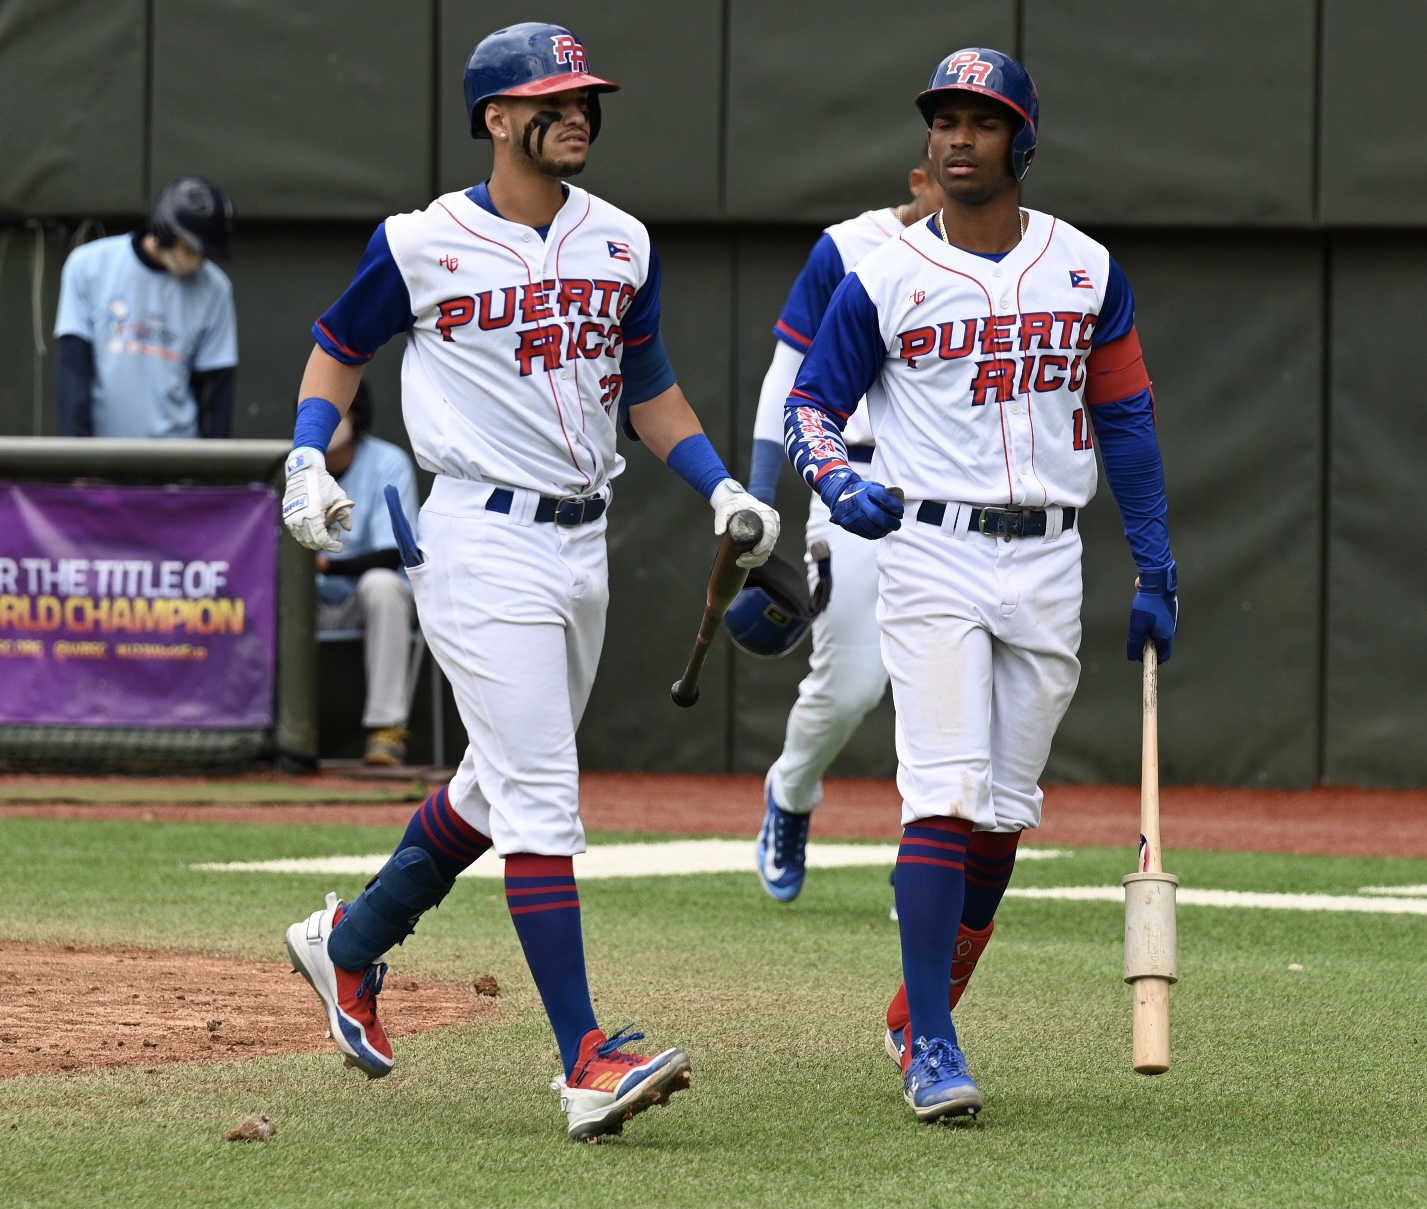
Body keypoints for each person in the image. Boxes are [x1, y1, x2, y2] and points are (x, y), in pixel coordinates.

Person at [279, 23, 779, 1142]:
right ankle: (584, 1059)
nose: (577, 112)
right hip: (476, 535)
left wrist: (715, 487)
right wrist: (309, 450)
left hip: (580, 541)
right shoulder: (422, 243)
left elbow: (646, 387)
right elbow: (335, 347)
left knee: (497, 787)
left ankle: (347, 945)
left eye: (584, 95)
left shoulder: (621, 242)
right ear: (496, 118)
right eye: (552, 98)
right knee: (543, 795)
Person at [782, 48, 1176, 1123]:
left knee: (1001, 817)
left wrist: (1155, 563)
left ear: (1021, 141)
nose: (957, 139)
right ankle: (935, 1047)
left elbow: (1127, 418)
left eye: (982, 121)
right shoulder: (886, 273)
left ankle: (922, 1007)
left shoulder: (1085, 268)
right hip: (933, 551)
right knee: (944, 793)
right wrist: (837, 477)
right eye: (943, 121)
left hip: (1049, 553)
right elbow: (807, 405)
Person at [745, 150, 944, 902]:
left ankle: (927, 867)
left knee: (946, 682)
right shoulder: (848, 247)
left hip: (947, 485)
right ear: (917, 180)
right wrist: (760, 496)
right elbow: (784, 375)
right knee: (853, 683)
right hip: (849, 474)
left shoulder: (995, 257)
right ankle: (791, 793)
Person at [53, 177, 237, 438]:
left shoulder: (215, 288)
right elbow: (74, 373)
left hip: (179, 463)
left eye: (206, 253)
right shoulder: (88, 266)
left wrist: (210, 471)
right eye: (192, 246)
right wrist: (79, 460)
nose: (199, 260)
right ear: (165, 228)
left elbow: (215, 393)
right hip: (103, 459)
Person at [313, 381, 421, 766]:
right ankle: (268, 728)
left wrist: (326, 564)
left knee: (383, 586)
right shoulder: (296, 466)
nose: (324, 422)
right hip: (309, 601)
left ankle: (386, 730)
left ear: (355, 414)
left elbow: (393, 554)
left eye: (336, 410)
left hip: (365, 598)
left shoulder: (387, 462)